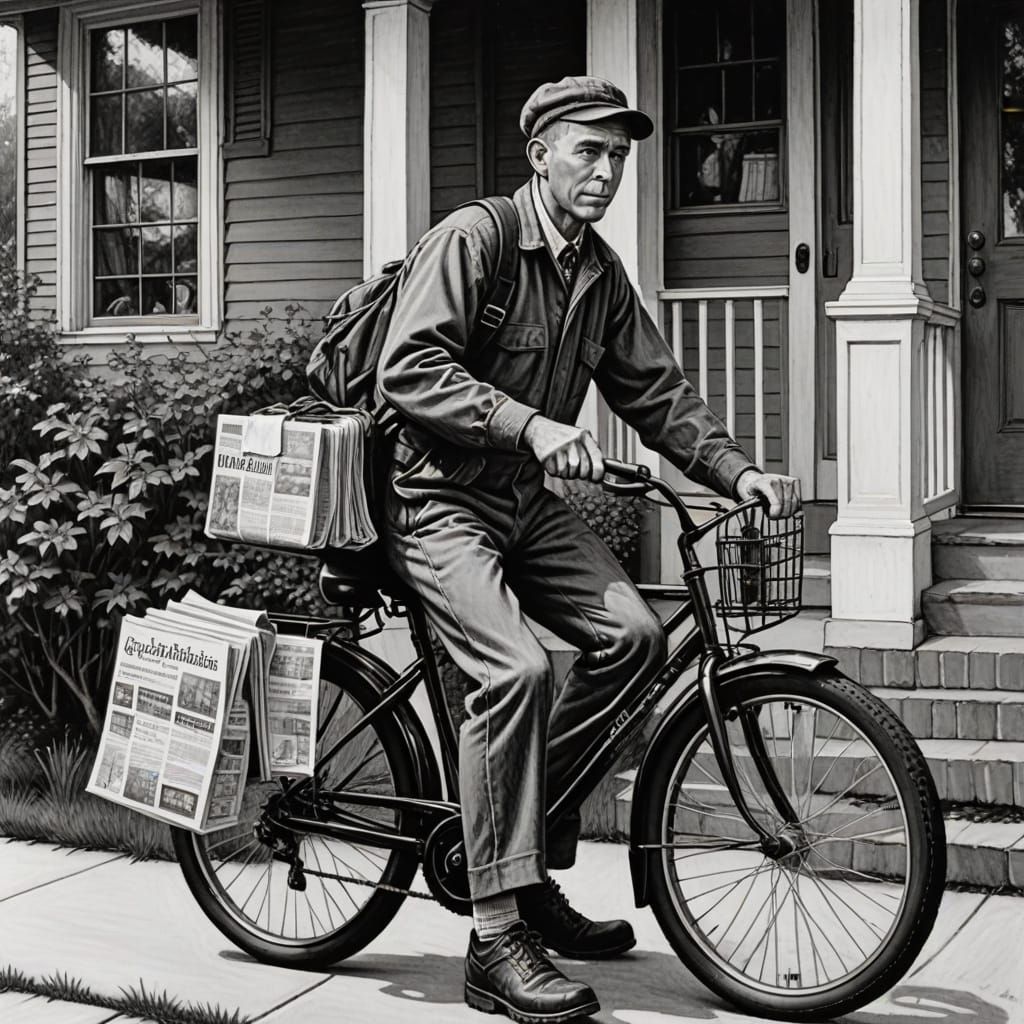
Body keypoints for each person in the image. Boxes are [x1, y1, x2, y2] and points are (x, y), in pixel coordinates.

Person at [377, 76, 801, 1023]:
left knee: (636, 641)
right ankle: (495, 940)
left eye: (618, 156)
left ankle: (523, 864)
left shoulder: (599, 273)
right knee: (517, 672)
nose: (607, 171)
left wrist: (736, 472)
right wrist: (525, 423)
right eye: (589, 151)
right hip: (437, 501)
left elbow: (655, 392)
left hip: (522, 505)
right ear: (540, 154)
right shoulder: (476, 238)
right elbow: (408, 367)